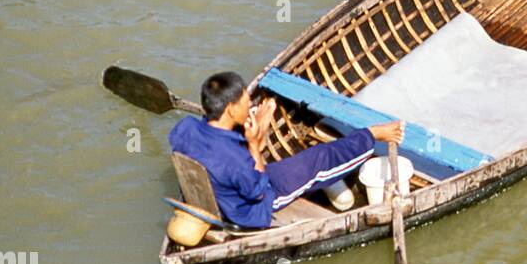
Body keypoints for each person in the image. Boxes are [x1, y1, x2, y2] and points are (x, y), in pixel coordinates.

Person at [168, 72, 404, 228]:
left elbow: (208, 147)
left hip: (227, 191)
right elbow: (258, 192)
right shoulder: (235, 163)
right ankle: (371, 136)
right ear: (230, 110)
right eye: (244, 101)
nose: (249, 103)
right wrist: (255, 143)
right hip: (255, 208)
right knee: (319, 159)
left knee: (263, 153)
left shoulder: (184, 128)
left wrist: (254, 132)